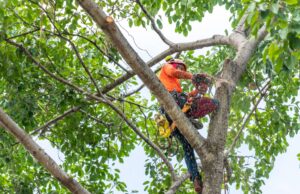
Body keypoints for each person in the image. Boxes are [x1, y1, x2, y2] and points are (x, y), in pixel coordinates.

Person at [158, 57, 219, 194]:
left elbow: (188, 96)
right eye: (180, 67)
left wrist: (198, 90)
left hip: (173, 117)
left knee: (188, 148)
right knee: (215, 103)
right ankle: (188, 117)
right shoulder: (167, 67)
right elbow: (175, 72)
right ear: (174, 64)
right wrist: (193, 77)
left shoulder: (174, 85)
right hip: (174, 102)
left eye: (182, 69)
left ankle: (196, 179)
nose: (181, 71)